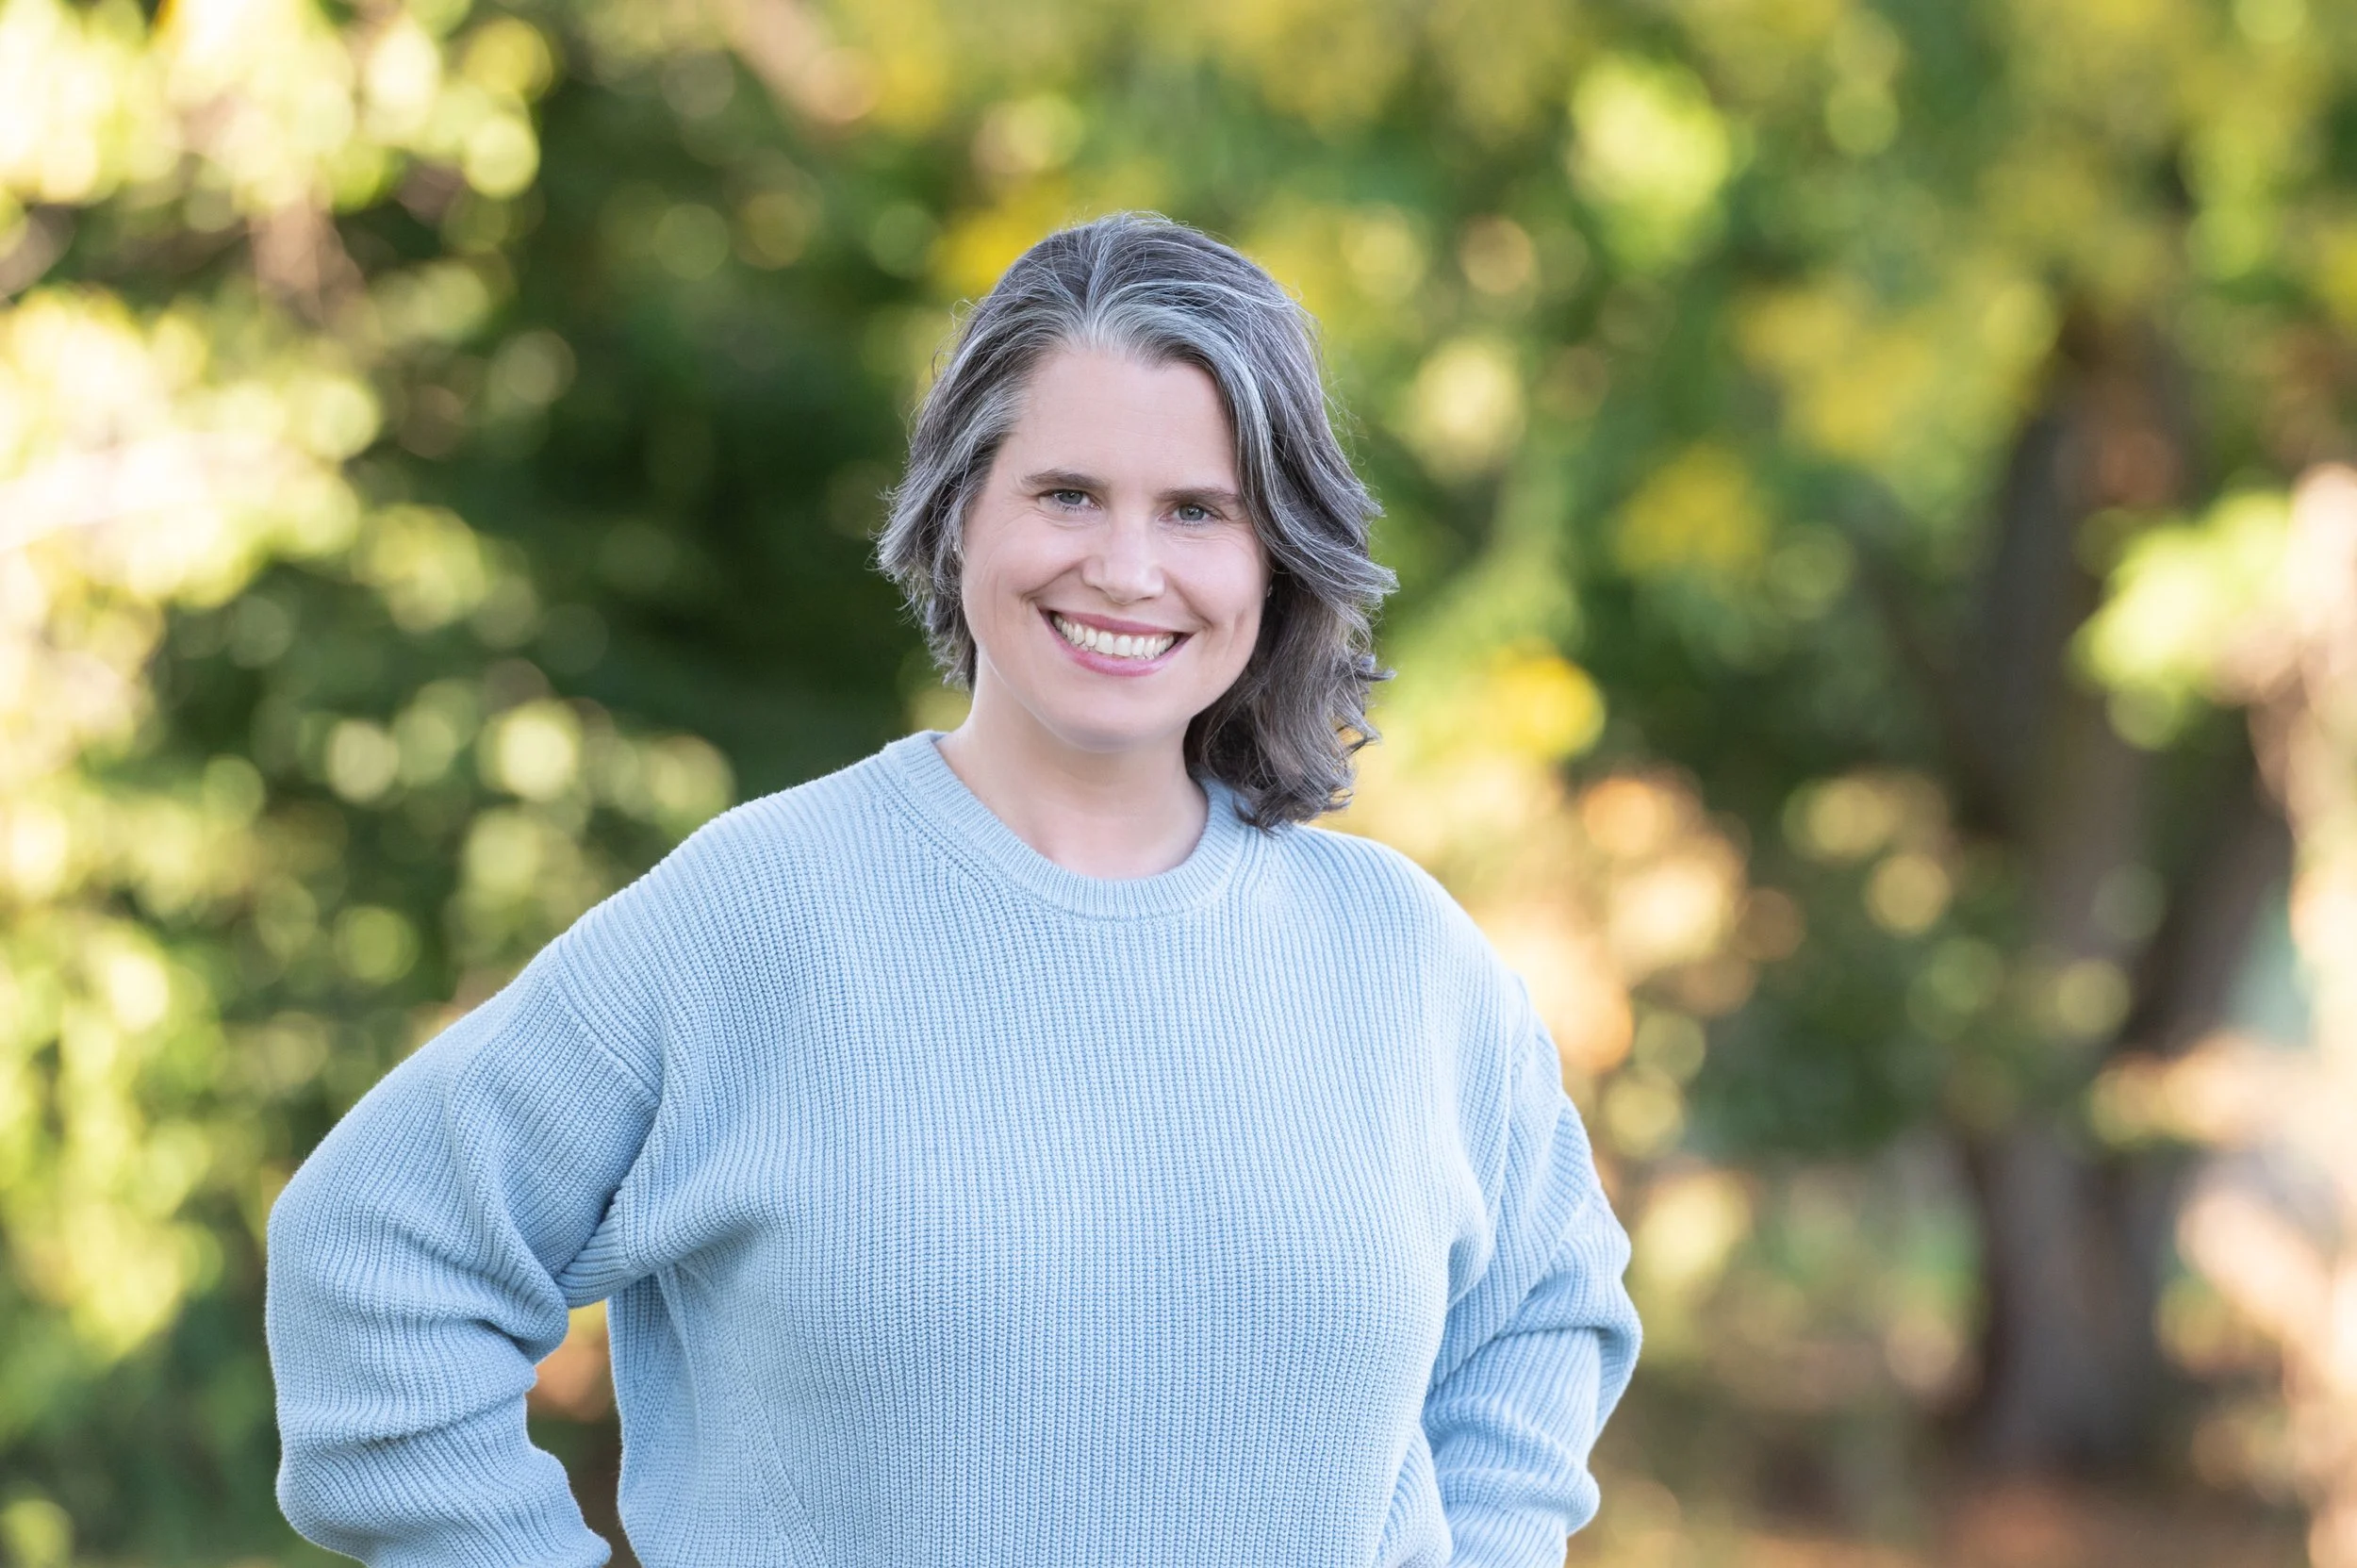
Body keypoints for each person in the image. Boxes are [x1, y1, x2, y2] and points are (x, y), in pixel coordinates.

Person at [265, 210, 1640, 1568]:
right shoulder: (760, 915)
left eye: (1198, 510)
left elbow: (1544, 1313)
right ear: (960, 507)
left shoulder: (1403, 958)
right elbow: (375, 1264)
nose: (1126, 567)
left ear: (1275, 561)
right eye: (1067, 494)